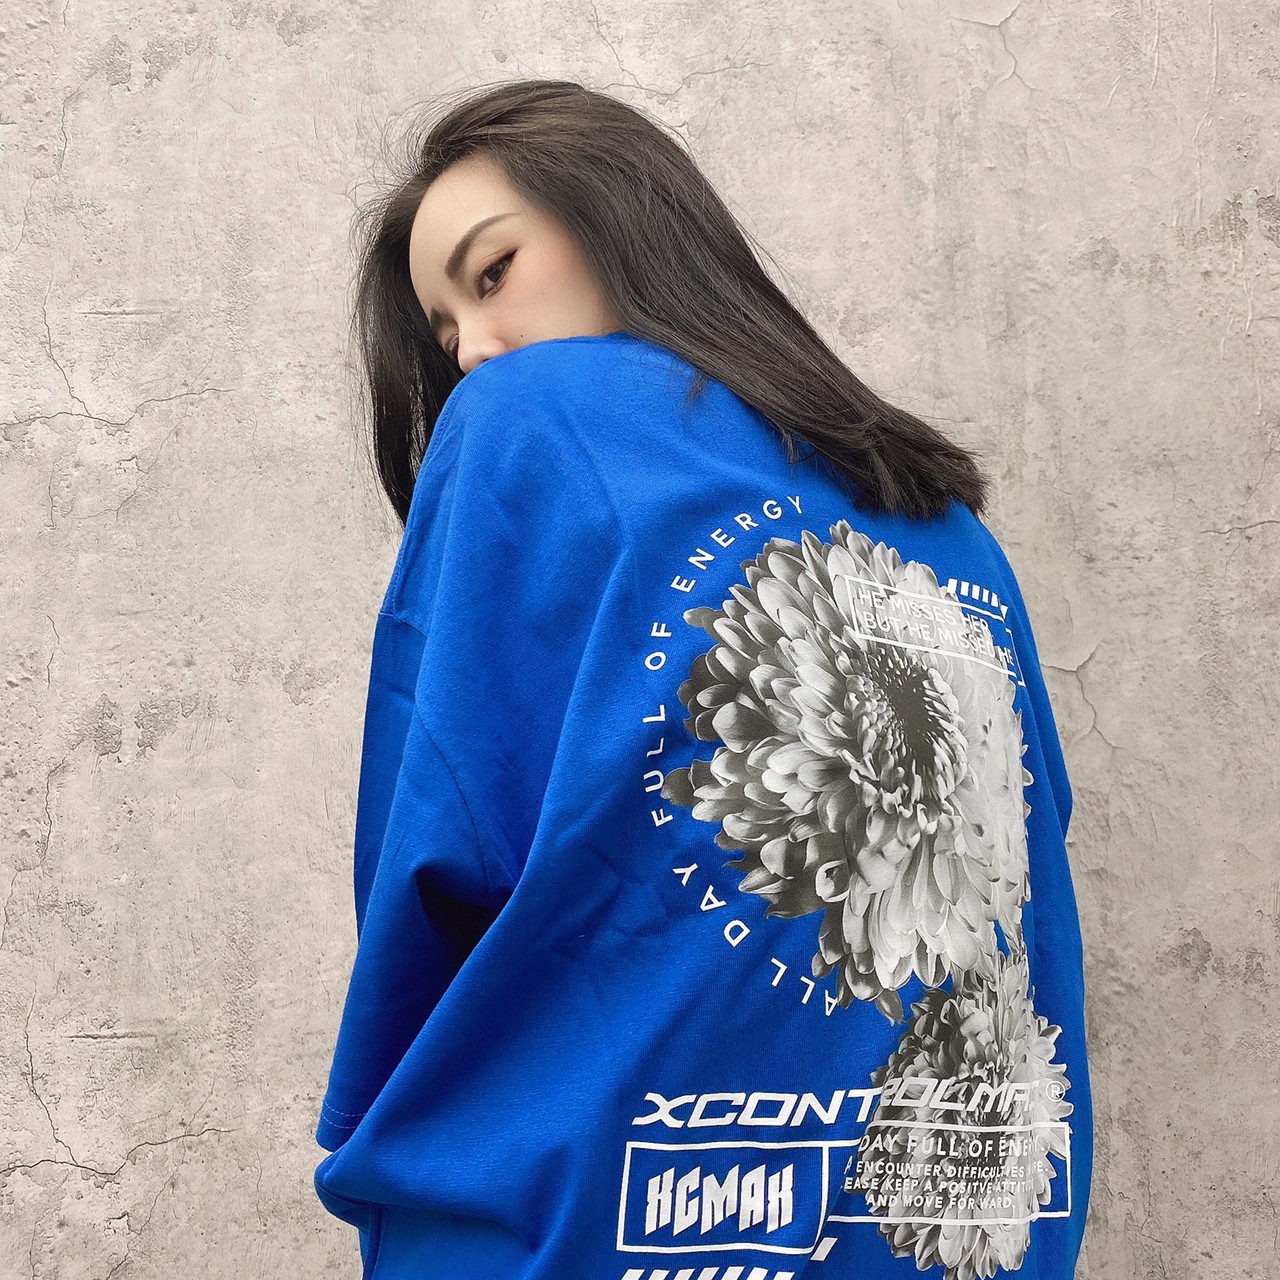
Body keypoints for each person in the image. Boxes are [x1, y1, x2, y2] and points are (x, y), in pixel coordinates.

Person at [313, 77, 1093, 1280]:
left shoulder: (525, 417)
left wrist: (378, 1141)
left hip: (593, 1218)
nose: (475, 353)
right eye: (447, 335)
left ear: (622, 217)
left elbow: (433, 844)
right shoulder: (947, 525)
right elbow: (1032, 857)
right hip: (956, 1227)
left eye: (492, 273)